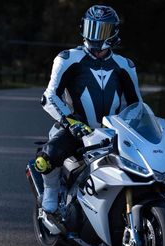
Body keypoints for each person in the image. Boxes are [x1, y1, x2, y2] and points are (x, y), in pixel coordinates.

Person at [34, 4, 143, 232]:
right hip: (73, 129)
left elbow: (136, 105)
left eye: (102, 30)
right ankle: (50, 199)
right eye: (92, 28)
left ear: (113, 33)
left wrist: (135, 128)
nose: (95, 36)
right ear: (83, 28)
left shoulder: (125, 65)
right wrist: (71, 122)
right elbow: (49, 97)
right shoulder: (67, 58)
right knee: (47, 158)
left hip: (112, 133)